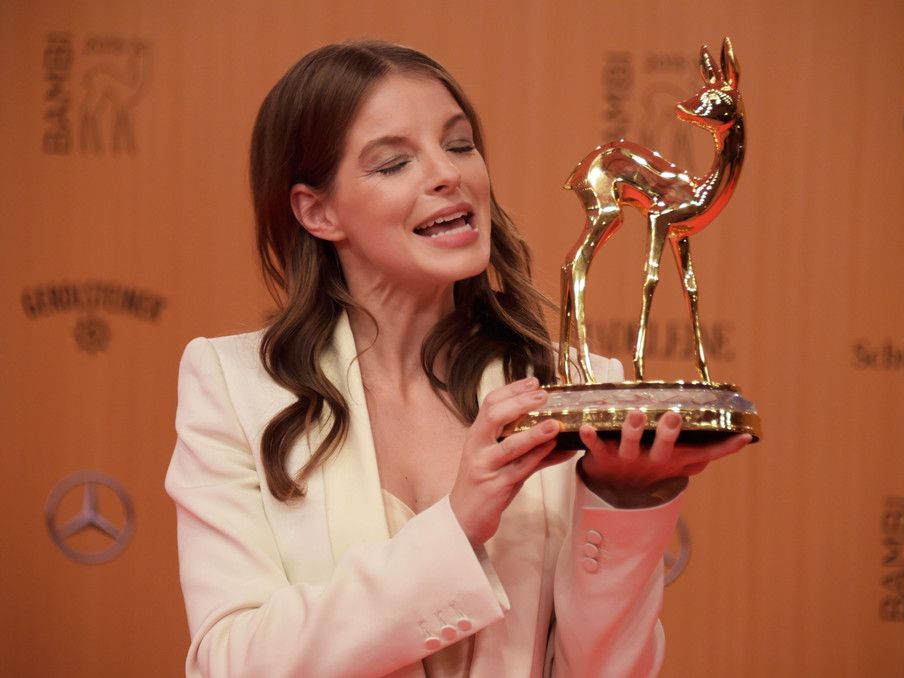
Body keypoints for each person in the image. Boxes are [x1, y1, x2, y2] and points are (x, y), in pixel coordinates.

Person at [165, 40, 749, 678]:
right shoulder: (234, 387)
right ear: (318, 211)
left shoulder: (574, 389)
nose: (448, 174)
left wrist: (622, 500)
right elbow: (231, 662)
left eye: (460, 144)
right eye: (394, 163)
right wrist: (457, 526)